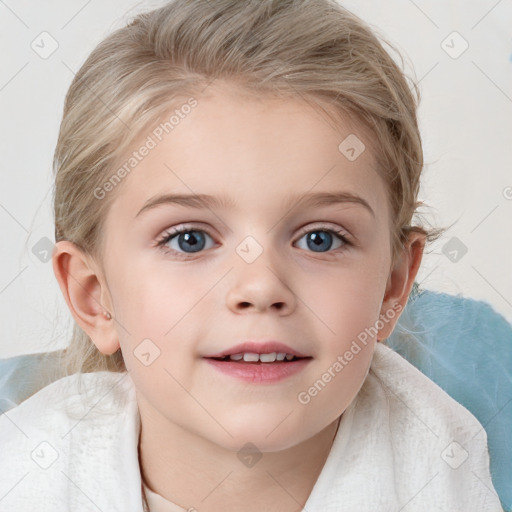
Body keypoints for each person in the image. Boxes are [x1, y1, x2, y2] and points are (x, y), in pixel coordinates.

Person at [0, 0, 504, 510]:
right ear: (94, 296)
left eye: (320, 238)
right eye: (189, 239)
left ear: (394, 287)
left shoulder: (451, 475)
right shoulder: (24, 478)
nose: (261, 286)